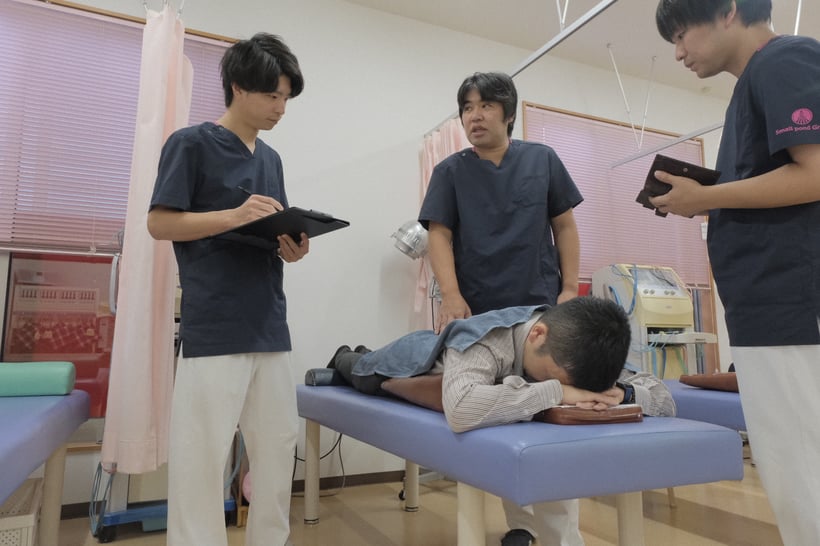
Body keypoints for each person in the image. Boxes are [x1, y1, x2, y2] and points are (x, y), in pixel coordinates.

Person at [653, 2, 820, 544]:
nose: (678, 53)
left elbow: (815, 172)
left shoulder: (784, 60)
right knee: (792, 465)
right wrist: (705, 199)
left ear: (727, 10)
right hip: (769, 306)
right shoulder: (754, 84)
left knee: (803, 467)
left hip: (791, 305)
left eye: (682, 35)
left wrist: (707, 196)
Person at [322, 297, 676, 546]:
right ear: (537, 335)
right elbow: (461, 409)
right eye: (554, 376)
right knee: (360, 369)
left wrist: (624, 393)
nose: (570, 388)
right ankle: (346, 355)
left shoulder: (584, 349)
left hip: (468, 368)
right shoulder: (484, 339)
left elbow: (664, 400)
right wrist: (557, 391)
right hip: (407, 362)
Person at [147, 33, 308, 546]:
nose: (280, 108)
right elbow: (159, 223)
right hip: (216, 323)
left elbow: (270, 230)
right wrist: (233, 216)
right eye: (272, 95)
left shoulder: (272, 159)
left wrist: (291, 246)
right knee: (201, 454)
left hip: (268, 322)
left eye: (286, 98)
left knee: (278, 447)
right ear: (238, 86)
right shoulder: (190, 143)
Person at [418, 71, 585, 545]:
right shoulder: (450, 172)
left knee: (550, 418)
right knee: (497, 418)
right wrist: (451, 295)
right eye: (467, 107)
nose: (475, 115)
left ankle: (563, 536)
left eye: (486, 105)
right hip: (479, 318)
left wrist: (569, 289)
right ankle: (522, 527)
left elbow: (565, 226)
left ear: (508, 114)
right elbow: (439, 235)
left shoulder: (542, 160)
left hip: (538, 311)